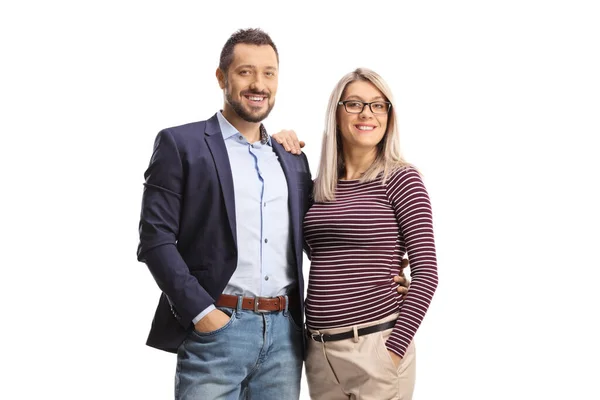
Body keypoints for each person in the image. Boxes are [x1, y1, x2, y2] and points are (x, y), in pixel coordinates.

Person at [136, 29, 411, 399]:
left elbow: (322, 237)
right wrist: (203, 313)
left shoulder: (291, 157)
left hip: (287, 335)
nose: (258, 84)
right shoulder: (180, 144)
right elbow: (155, 241)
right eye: (245, 72)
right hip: (217, 329)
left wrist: (382, 274)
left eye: (269, 73)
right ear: (221, 77)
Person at [274, 68, 438, 399]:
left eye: (379, 105)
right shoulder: (319, 187)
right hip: (318, 352)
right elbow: (322, 253)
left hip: (375, 347)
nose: (367, 113)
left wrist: (391, 351)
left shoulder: (402, 180)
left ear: (389, 117)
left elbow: (427, 275)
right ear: (335, 114)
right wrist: (278, 145)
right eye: (354, 104)